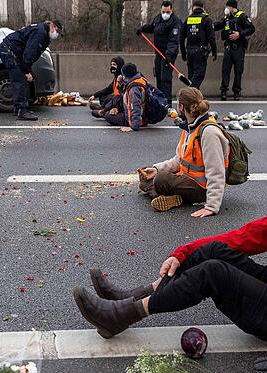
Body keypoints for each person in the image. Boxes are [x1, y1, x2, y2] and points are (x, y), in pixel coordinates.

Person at [74, 145, 267, 373]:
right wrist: (184, 251)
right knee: (213, 251)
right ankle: (134, 295)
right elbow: (247, 236)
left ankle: (123, 315)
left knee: (214, 273)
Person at [137, 87, 227, 217]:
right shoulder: (189, 128)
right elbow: (178, 160)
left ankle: (178, 197)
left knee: (160, 180)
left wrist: (212, 206)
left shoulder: (209, 133)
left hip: (202, 187)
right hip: (186, 180)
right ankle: (176, 198)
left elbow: (216, 172)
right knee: (146, 179)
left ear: (181, 107)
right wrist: (156, 169)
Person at [0, 20, 63, 121]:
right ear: (52, 26)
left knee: (17, 79)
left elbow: (32, 54)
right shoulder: (40, 33)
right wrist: (27, 71)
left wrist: (27, 69)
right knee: (20, 81)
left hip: (12, 51)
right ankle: (22, 111)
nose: (57, 35)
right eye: (57, 31)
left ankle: (18, 108)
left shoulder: (44, 34)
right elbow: (29, 53)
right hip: (8, 51)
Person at [137, 1, 182, 100]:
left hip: (168, 54)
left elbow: (174, 41)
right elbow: (152, 27)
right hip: (158, 52)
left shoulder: (175, 22)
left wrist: (169, 56)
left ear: (171, 10)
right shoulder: (158, 18)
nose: (165, 14)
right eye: (163, 11)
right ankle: (160, 100)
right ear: (161, 10)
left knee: (165, 79)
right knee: (158, 76)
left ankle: (167, 102)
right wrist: (142, 29)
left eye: (167, 12)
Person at [213, 0, 255, 101]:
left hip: (239, 48)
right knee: (225, 70)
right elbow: (218, 25)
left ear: (232, 7)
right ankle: (224, 91)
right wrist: (208, 25)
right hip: (228, 47)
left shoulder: (242, 16)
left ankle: (237, 92)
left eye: (228, 7)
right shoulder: (227, 17)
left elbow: (251, 28)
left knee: (238, 71)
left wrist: (239, 34)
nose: (226, 9)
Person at [180, 0, 218, 89]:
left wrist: (183, 53)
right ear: (203, 8)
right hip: (200, 52)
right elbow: (211, 38)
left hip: (189, 51)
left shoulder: (188, 19)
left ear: (193, 8)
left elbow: (181, 38)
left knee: (191, 75)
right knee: (199, 74)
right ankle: (191, 93)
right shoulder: (206, 19)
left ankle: (193, 96)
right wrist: (214, 51)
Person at [104, 63, 149, 133]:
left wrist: (133, 126)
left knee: (108, 116)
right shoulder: (140, 79)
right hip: (144, 114)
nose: (121, 76)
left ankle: (103, 112)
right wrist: (121, 84)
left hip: (137, 118)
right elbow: (126, 95)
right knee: (117, 99)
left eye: (123, 74)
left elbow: (135, 107)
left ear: (126, 75)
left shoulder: (134, 90)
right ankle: (102, 111)